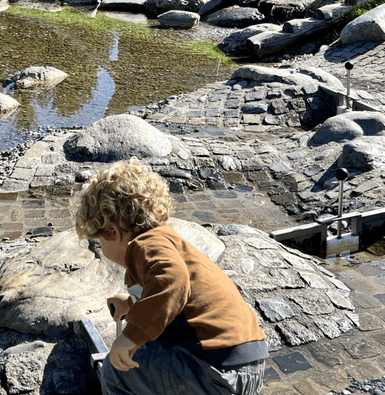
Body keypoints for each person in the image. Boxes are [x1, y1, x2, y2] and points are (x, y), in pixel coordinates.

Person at [74, 158, 268, 395]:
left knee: (116, 374)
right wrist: (133, 304)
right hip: (245, 363)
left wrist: (130, 336)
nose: (101, 247)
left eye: (99, 240)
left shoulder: (143, 245)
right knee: (154, 348)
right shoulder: (165, 240)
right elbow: (174, 299)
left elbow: (172, 281)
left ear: (113, 231)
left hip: (215, 370)